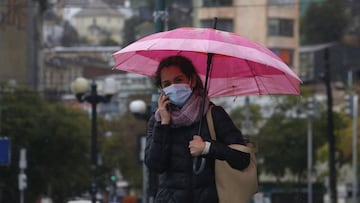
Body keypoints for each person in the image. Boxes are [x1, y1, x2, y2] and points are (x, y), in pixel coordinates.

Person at [144, 55, 250, 203]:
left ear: (192, 81)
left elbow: (243, 159)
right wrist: (164, 124)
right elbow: (155, 165)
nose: (173, 87)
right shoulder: (158, 120)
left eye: (178, 80)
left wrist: (208, 148)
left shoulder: (213, 115)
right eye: (167, 84)